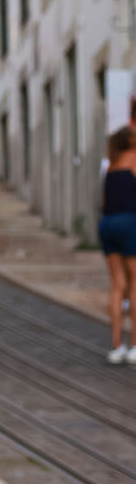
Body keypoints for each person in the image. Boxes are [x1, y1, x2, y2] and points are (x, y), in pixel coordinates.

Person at [99, 124, 136, 364]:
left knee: (117, 284)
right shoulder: (134, 159)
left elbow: (104, 202)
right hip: (129, 223)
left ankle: (116, 346)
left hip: (107, 224)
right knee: (134, 285)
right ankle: (135, 346)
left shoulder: (111, 165)